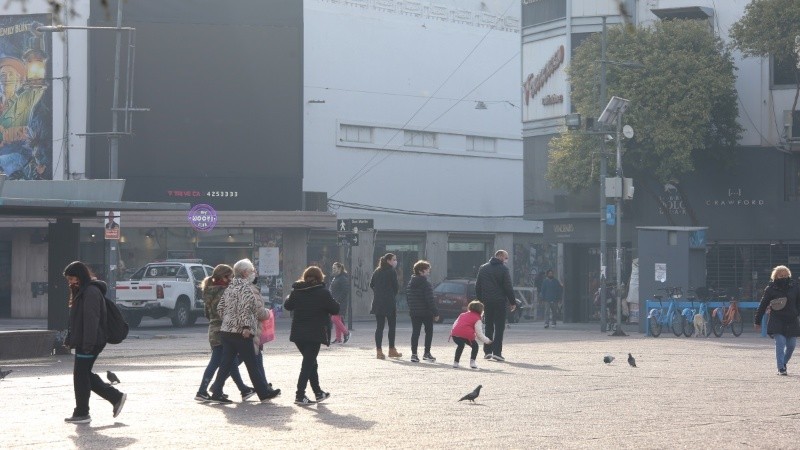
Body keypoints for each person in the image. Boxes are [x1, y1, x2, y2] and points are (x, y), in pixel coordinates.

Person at [208, 259, 281, 403]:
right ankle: (263, 393)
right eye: (252, 270)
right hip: (241, 333)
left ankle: (216, 392)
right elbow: (246, 309)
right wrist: (246, 327)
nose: (254, 273)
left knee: (226, 363)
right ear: (245, 273)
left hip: (227, 331)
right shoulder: (245, 288)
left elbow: (220, 308)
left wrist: (228, 320)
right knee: (252, 364)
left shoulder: (231, 287)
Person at [62, 261, 126, 424]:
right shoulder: (83, 291)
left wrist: (87, 345)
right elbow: (77, 320)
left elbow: (91, 321)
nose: (70, 282)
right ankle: (114, 398)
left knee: (80, 375)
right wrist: (71, 338)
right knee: (83, 374)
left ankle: (83, 412)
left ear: (80, 276)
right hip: (87, 341)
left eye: (72, 278)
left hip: (90, 342)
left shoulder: (90, 292)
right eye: (68, 279)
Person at [194, 264, 255, 402]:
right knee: (217, 361)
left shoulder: (209, 290)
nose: (232, 279)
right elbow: (228, 312)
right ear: (224, 277)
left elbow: (207, 313)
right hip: (223, 331)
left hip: (213, 330)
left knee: (230, 361)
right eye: (231, 276)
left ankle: (242, 389)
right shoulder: (224, 291)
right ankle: (202, 391)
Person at [284, 266, 340, 405]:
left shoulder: (297, 291)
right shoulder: (323, 292)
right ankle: (300, 395)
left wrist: (289, 296)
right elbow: (335, 309)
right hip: (315, 334)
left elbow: (288, 306)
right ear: (320, 277)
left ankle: (318, 393)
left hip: (298, 334)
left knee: (311, 363)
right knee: (308, 364)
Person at [755, 265, 800, 375]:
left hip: (792, 320)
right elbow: (762, 305)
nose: (783, 277)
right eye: (780, 276)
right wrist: (757, 321)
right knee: (780, 343)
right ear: (775, 277)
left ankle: (783, 362)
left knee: (791, 346)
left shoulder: (795, 287)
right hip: (777, 320)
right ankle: (781, 368)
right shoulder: (770, 289)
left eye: (785, 275)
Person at [475, 250, 516, 362]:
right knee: (499, 327)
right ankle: (497, 353)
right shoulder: (503, 269)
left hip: (487, 302)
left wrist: (481, 300)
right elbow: (508, 287)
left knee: (488, 326)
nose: (506, 260)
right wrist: (512, 302)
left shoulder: (483, 268)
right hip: (500, 302)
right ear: (500, 256)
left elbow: (478, 286)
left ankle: (487, 352)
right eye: (506, 258)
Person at [370, 253, 402, 359]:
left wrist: (378, 292)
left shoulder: (377, 271)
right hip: (389, 302)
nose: (395, 261)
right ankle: (391, 350)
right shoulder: (391, 271)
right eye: (394, 259)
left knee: (379, 327)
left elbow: (371, 285)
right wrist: (390, 294)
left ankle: (379, 351)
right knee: (392, 326)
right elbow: (396, 287)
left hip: (378, 302)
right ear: (388, 260)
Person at [406, 260, 439, 363]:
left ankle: (414, 355)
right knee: (429, 332)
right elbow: (430, 300)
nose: (429, 271)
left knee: (415, 332)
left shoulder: (410, 283)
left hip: (414, 312)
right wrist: (436, 313)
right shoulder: (426, 283)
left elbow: (408, 298)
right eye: (427, 270)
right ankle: (427, 353)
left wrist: (412, 308)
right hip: (426, 312)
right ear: (421, 271)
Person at [450, 300, 492, 369]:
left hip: (455, 334)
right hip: (466, 335)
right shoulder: (477, 319)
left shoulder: (462, 314)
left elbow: (455, 324)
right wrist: (487, 341)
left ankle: (455, 363)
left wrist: (453, 332)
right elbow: (479, 334)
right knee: (475, 346)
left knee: (460, 346)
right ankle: (472, 363)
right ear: (481, 310)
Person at [329, 262, 351, 344]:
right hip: (335, 302)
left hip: (340, 303)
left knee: (334, 319)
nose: (333, 270)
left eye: (335, 268)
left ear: (340, 269)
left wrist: (338, 300)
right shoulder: (335, 277)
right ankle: (338, 339)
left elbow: (345, 291)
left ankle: (347, 333)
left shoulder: (343, 278)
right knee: (337, 320)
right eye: (333, 268)